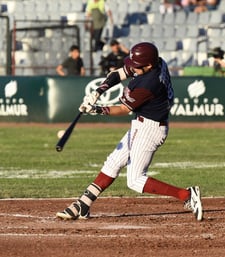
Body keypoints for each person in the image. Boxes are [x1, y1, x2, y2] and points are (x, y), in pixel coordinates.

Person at [56, 42, 203, 221]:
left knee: (134, 180)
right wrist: (98, 91)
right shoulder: (156, 63)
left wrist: (96, 109)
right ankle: (83, 203)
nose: (133, 67)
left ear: (148, 66)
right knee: (113, 162)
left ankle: (186, 194)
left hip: (150, 129)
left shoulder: (148, 84)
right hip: (143, 124)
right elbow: (120, 73)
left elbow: (123, 109)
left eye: (137, 66)